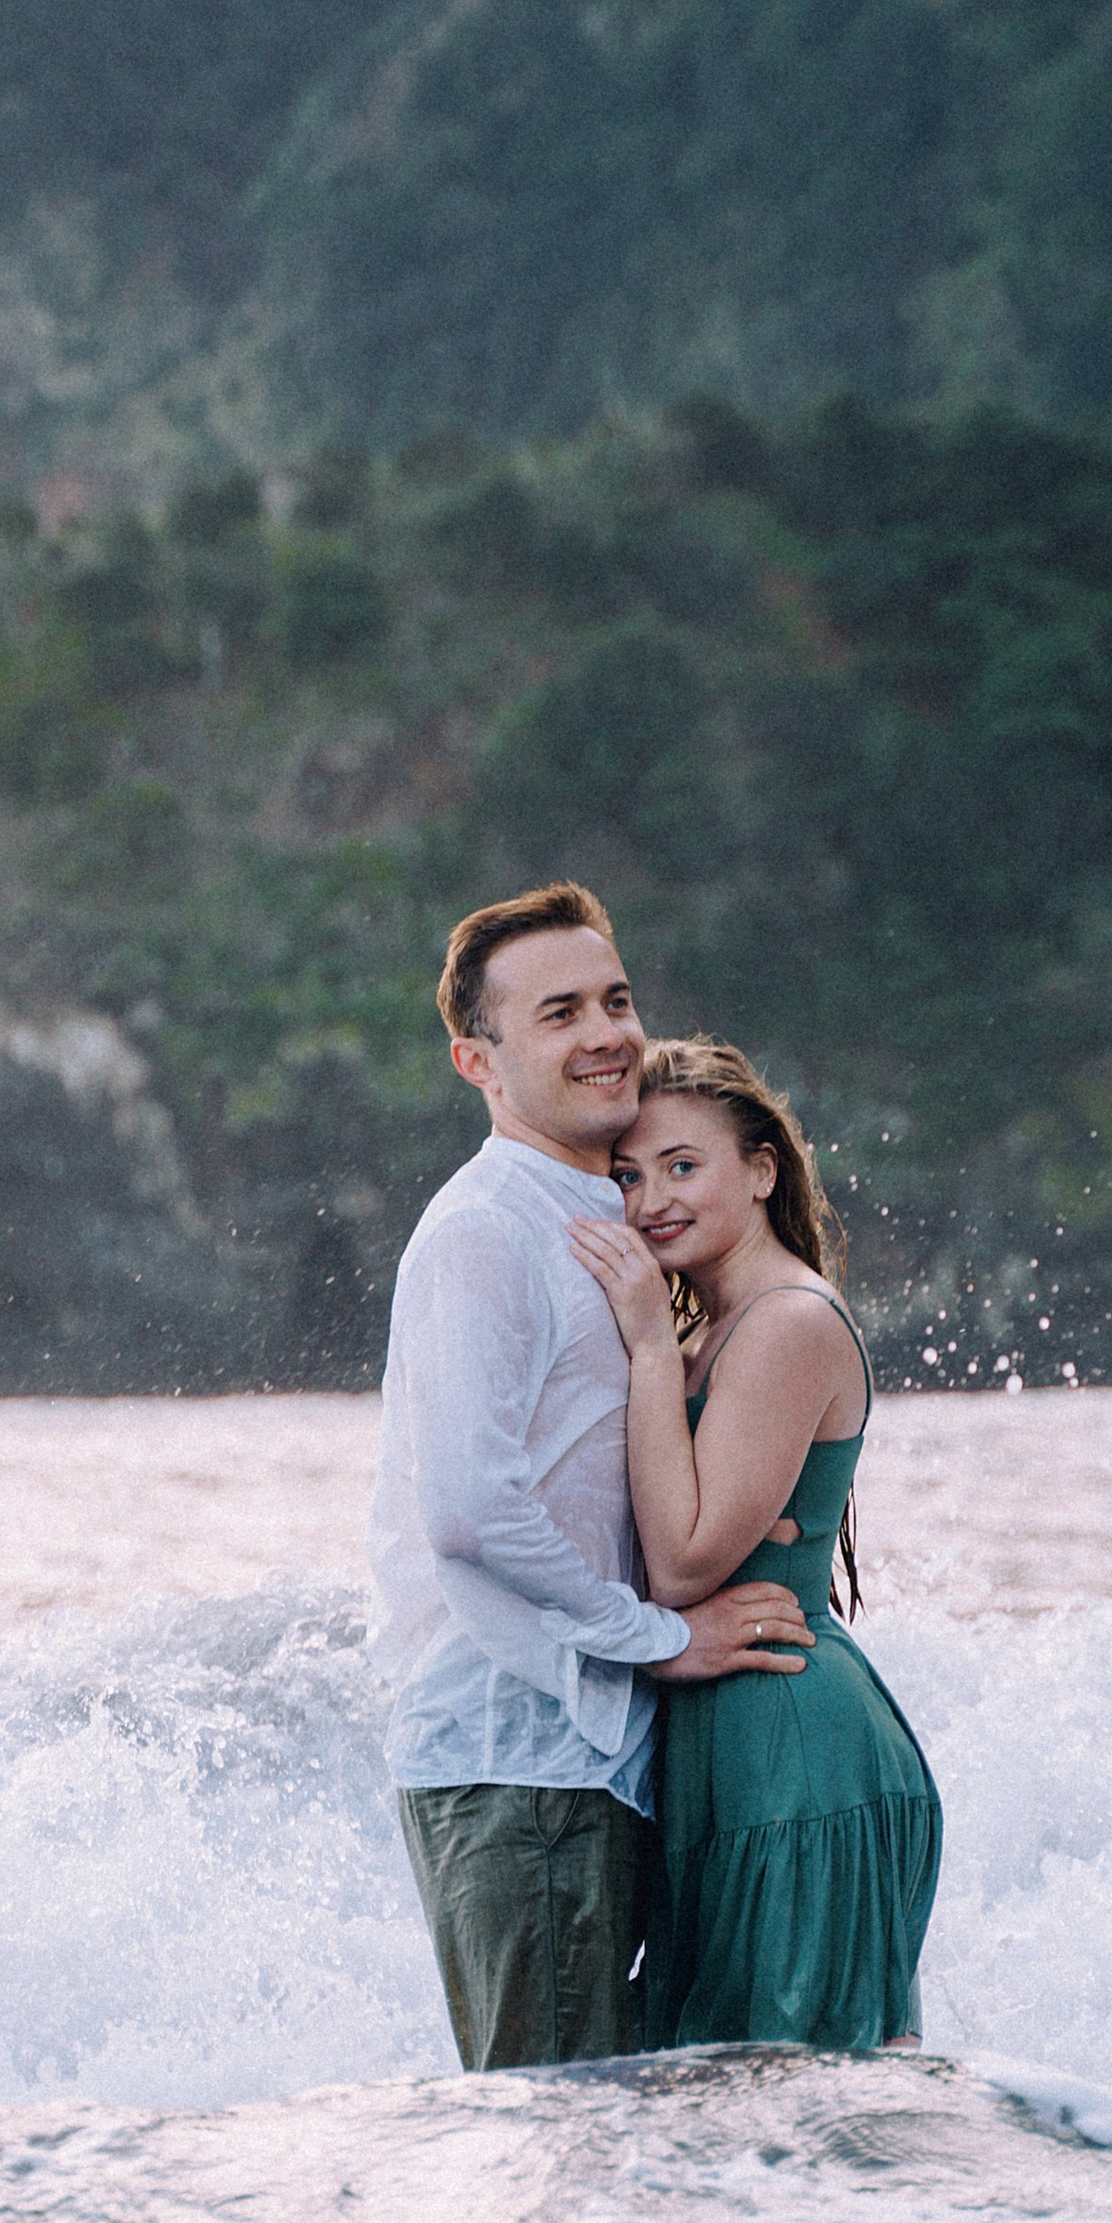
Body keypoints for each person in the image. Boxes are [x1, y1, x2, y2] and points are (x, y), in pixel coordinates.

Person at [370, 884, 819, 2072]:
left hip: (588, 1750)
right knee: (557, 2129)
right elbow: (468, 1512)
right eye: (559, 1012)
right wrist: (658, 1638)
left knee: (617, 2133)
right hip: (516, 1752)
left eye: (615, 1000)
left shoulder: (600, 1222)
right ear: (479, 1060)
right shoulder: (486, 1229)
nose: (605, 1033)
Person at [565, 1036, 942, 2049]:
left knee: (801, 2112)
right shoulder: (710, 1332)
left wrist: (646, 1341)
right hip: (731, 1752)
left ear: (761, 1170)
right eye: (629, 1177)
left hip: (795, 1756)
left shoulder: (784, 1326)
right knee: (737, 2129)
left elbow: (685, 1563)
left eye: (683, 1166)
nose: (651, 1203)